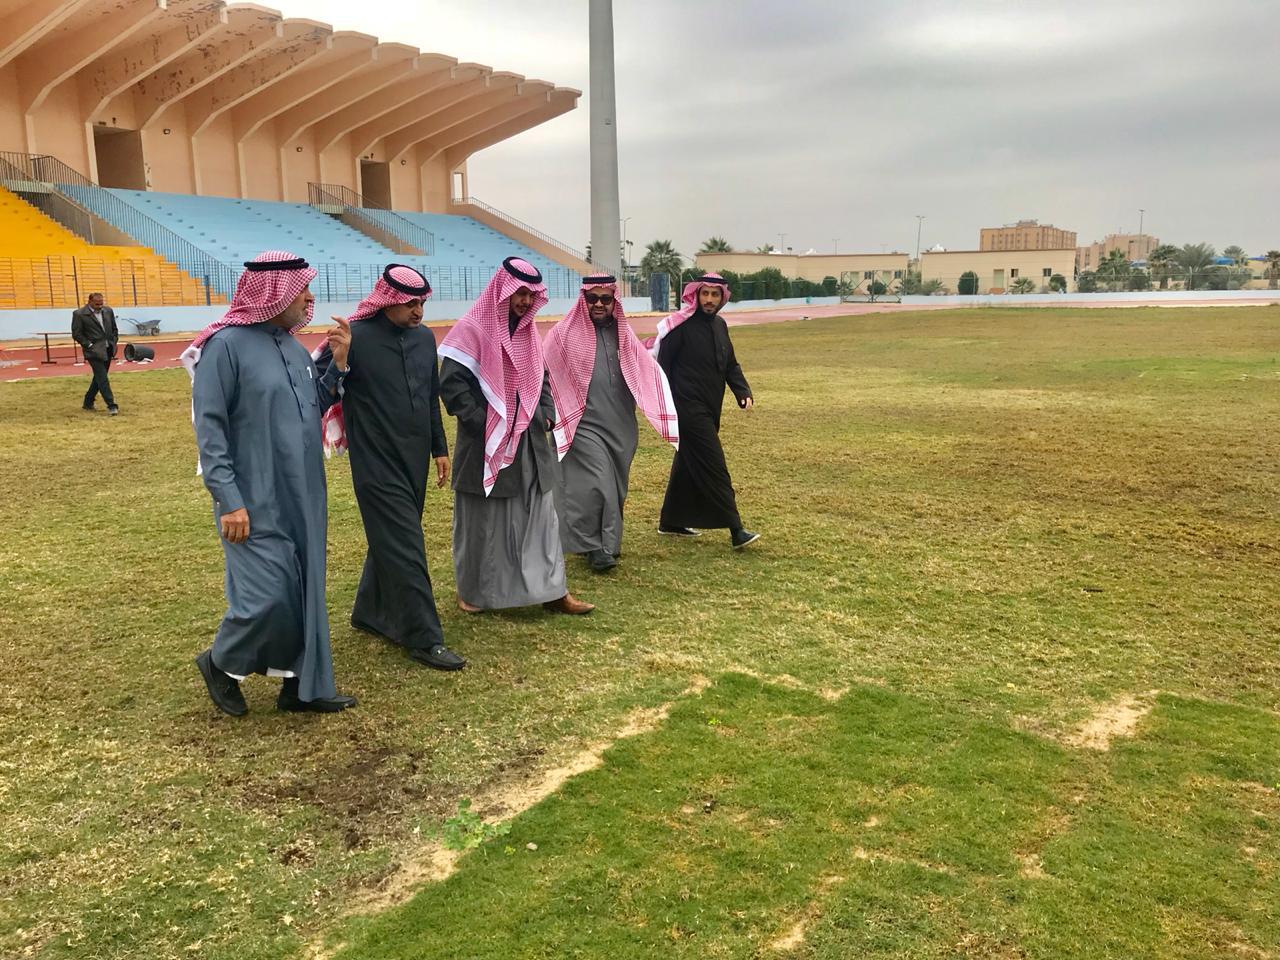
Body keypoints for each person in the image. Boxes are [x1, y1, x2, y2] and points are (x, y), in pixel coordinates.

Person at [183, 250, 357, 715]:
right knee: (268, 594)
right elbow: (211, 430)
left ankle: (299, 686)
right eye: (302, 291)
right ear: (275, 292)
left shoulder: (293, 348)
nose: (309, 299)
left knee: (304, 588)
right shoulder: (226, 346)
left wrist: (337, 365)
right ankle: (220, 664)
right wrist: (229, 500)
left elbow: (312, 404)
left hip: (304, 494)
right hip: (252, 497)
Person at [313, 265, 465, 671]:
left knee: (395, 540)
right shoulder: (353, 337)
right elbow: (316, 396)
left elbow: (430, 398)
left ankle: (369, 610)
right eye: (409, 303)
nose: (418, 311)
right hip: (376, 462)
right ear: (387, 301)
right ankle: (424, 637)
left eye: (421, 302)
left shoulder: (423, 340)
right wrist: (339, 360)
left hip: (415, 458)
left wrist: (439, 447)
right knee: (407, 545)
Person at [438, 257, 594, 615]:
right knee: (484, 523)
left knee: (541, 518)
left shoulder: (528, 334)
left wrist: (543, 415)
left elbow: (541, 380)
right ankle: (476, 592)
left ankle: (554, 592)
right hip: (486, 444)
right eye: (519, 293)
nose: (524, 301)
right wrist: (484, 422)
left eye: (530, 294)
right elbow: (452, 385)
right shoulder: (472, 331)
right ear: (502, 291)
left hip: (530, 443)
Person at [544, 274, 679, 571]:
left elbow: (645, 371)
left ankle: (608, 543)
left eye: (606, 299)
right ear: (584, 300)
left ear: (614, 301)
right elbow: (545, 375)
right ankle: (595, 548)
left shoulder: (623, 334)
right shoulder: (561, 335)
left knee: (615, 486)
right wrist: (550, 412)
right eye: (593, 299)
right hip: (583, 422)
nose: (599, 305)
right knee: (598, 483)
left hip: (620, 423)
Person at [651, 273, 759, 549]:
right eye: (705, 294)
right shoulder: (680, 327)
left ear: (723, 297)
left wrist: (742, 392)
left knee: (687, 462)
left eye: (714, 294)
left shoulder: (720, 325)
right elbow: (662, 368)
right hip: (686, 410)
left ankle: (671, 520)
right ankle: (736, 529)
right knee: (714, 465)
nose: (709, 300)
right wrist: (666, 406)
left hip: (711, 408)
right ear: (695, 295)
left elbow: (730, 364)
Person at [71, 292, 119, 415]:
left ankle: (88, 401)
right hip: (93, 351)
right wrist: (89, 345)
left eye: (101, 303)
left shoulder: (108, 311)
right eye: (97, 304)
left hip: (108, 349)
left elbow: (114, 328)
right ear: (90, 302)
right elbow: (77, 334)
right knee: (103, 378)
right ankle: (111, 405)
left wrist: (114, 341)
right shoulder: (79, 314)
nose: (99, 306)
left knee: (98, 378)